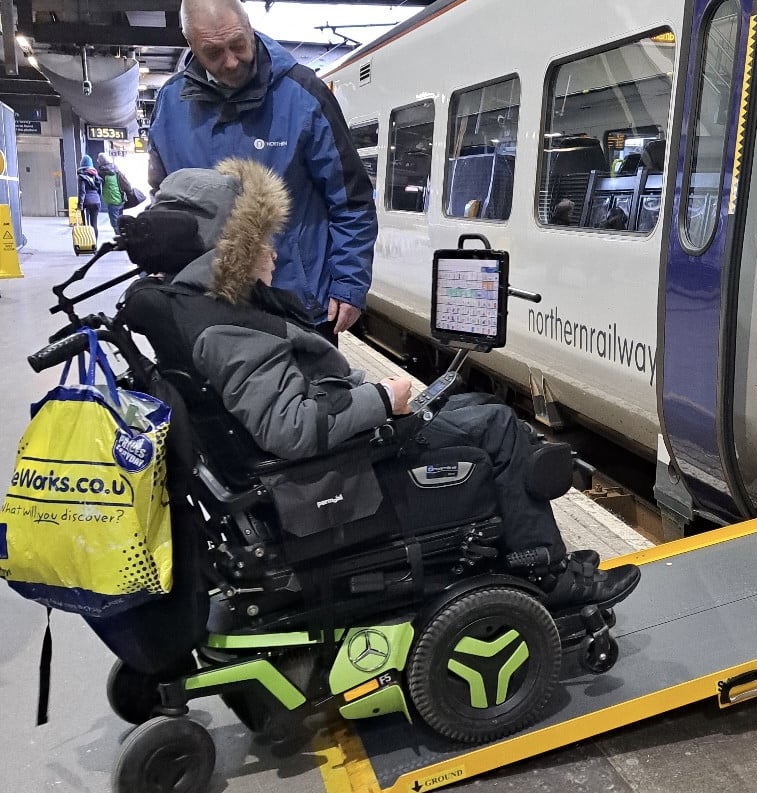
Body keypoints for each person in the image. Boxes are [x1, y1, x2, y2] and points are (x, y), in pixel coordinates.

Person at [152, 158, 640, 611]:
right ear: (229, 254)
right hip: (338, 468)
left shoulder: (192, 310)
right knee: (498, 426)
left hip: (336, 446)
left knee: (468, 404)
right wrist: (383, 398)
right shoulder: (227, 330)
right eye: (261, 241)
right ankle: (549, 575)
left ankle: (525, 553)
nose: (273, 251)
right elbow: (289, 429)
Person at [146, 0, 376, 346]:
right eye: (213, 52)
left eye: (238, 44)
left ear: (249, 27)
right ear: (189, 44)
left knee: (313, 400)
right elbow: (163, 197)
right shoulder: (170, 103)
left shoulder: (302, 94)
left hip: (298, 306)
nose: (231, 60)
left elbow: (352, 200)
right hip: (206, 305)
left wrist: (349, 283)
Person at [95, 153, 124, 233]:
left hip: (111, 199)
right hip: (120, 196)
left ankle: (120, 237)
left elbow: (97, 185)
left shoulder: (102, 172)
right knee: (120, 219)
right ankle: (123, 233)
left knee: (114, 222)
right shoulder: (115, 169)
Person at [77, 155, 101, 238]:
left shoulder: (81, 176)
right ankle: (95, 245)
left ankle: (87, 244)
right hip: (96, 201)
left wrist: (80, 205)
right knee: (94, 224)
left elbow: (82, 192)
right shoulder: (96, 175)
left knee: (86, 225)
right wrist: (97, 198)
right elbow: (99, 190)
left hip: (86, 202)